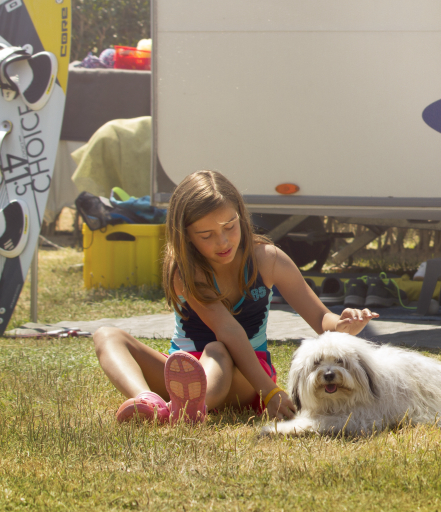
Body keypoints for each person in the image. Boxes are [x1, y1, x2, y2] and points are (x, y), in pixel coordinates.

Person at [94, 170, 379, 423]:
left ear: (241, 217)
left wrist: (340, 326)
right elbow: (226, 327)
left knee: (217, 350)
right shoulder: (185, 270)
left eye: (229, 227)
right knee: (107, 335)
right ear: (186, 237)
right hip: (182, 372)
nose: (223, 241)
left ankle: (188, 409)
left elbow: (320, 318)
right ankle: (149, 401)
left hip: (250, 377)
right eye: (206, 235)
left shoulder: (268, 259)